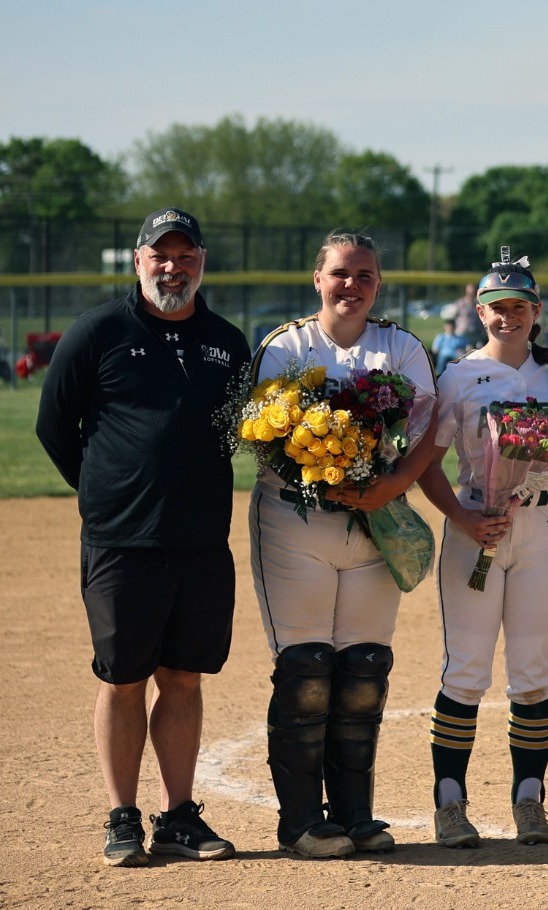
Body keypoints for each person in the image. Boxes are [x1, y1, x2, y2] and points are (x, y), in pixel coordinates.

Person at [36, 207, 249, 867]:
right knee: (124, 677)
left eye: (185, 256)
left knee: (183, 676)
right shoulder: (99, 330)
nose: (172, 267)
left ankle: (179, 817)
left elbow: (238, 429)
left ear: (202, 262)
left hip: (201, 538)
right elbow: (54, 424)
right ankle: (122, 815)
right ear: (138, 261)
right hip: (122, 540)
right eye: (160, 255)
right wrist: (103, 490)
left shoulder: (227, 342)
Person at [250, 231, 438, 858]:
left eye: (364, 275)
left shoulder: (400, 346)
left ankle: (355, 815)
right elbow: (266, 435)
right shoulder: (287, 346)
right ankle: (303, 822)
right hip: (296, 521)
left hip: (375, 522)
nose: (351, 285)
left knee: (364, 669)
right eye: (339, 273)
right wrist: (329, 476)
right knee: (306, 669)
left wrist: (389, 486)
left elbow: (428, 432)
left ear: (378, 284)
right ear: (317, 279)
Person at [418, 252, 548, 848]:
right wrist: (462, 518)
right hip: (474, 523)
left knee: (534, 675)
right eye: (496, 307)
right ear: (479, 312)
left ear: (536, 310)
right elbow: (427, 463)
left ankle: (530, 801)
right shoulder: (458, 375)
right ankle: (449, 804)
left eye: (519, 306)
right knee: (465, 671)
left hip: (541, 528)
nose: (508, 317)